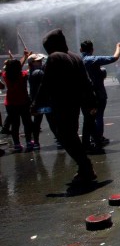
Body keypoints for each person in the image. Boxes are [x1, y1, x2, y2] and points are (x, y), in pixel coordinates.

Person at [31, 29, 98, 183]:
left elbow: (45, 84)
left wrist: (35, 104)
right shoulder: (75, 56)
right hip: (75, 103)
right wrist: (92, 101)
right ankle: (84, 168)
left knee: (65, 136)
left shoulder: (55, 57)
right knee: (72, 135)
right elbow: (86, 82)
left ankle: (86, 167)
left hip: (62, 104)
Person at [80, 40, 120, 151]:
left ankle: (89, 140)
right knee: (98, 117)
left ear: (81, 50)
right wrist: (118, 47)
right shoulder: (93, 60)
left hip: (84, 95)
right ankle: (97, 138)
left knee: (88, 118)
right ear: (92, 50)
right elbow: (114, 57)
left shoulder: (77, 61)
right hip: (98, 94)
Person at [0, 55, 34, 152]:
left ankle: (17, 144)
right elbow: (21, 68)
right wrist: (26, 57)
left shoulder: (6, 76)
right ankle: (28, 142)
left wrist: (19, 58)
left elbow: (13, 67)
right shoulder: (23, 75)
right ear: (19, 67)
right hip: (23, 102)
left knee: (15, 125)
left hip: (11, 103)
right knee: (27, 122)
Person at [27, 53, 52, 149]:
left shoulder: (31, 72)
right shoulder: (38, 72)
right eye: (38, 61)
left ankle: (36, 142)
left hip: (36, 102)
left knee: (37, 123)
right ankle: (59, 140)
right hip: (43, 101)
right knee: (51, 121)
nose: (41, 62)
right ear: (32, 63)